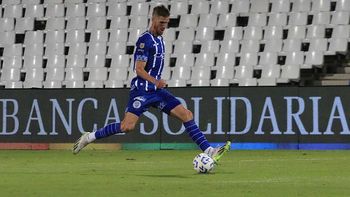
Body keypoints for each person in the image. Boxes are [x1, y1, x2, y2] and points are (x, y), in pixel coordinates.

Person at [73, 5, 231, 163]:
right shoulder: (145, 40)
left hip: (156, 91)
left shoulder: (160, 40)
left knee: (186, 114)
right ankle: (89, 137)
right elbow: (139, 69)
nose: (164, 26)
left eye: (166, 23)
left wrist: (157, 84)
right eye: (161, 22)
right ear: (153, 19)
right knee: (127, 126)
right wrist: (156, 81)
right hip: (142, 91)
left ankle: (209, 150)